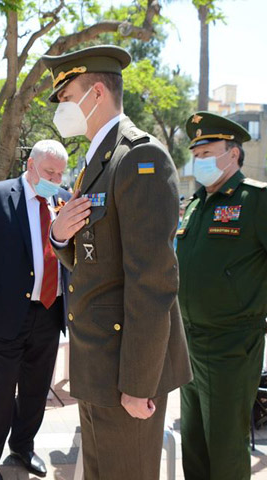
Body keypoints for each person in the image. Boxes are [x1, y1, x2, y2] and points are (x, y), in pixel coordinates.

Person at [44, 45, 192, 479]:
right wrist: (59, 236)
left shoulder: (139, 158)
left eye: (67, 96)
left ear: (97, 93)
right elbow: (93, 252)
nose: (62, 108)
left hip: (125, 368)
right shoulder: (98, 160)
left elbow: (153, 283)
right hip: (97, 361)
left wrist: (138, 384)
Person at [0, 139, 71, 480]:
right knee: (1, 384)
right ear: (30, 165)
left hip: (50, 309)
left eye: (60, 172)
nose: (55, 178)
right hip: (6, 310)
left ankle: (23, 446)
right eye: (49, 171)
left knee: (37, 387)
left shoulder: (64, 200)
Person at [177, 112, 267, 480]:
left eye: (208, 153)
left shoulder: (256, 200)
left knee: (226, 446)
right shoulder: (196, 204)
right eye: (196, 155)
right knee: (193, 442)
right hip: (188, 341)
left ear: (233, 154)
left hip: (231, 344)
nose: (200, 162)